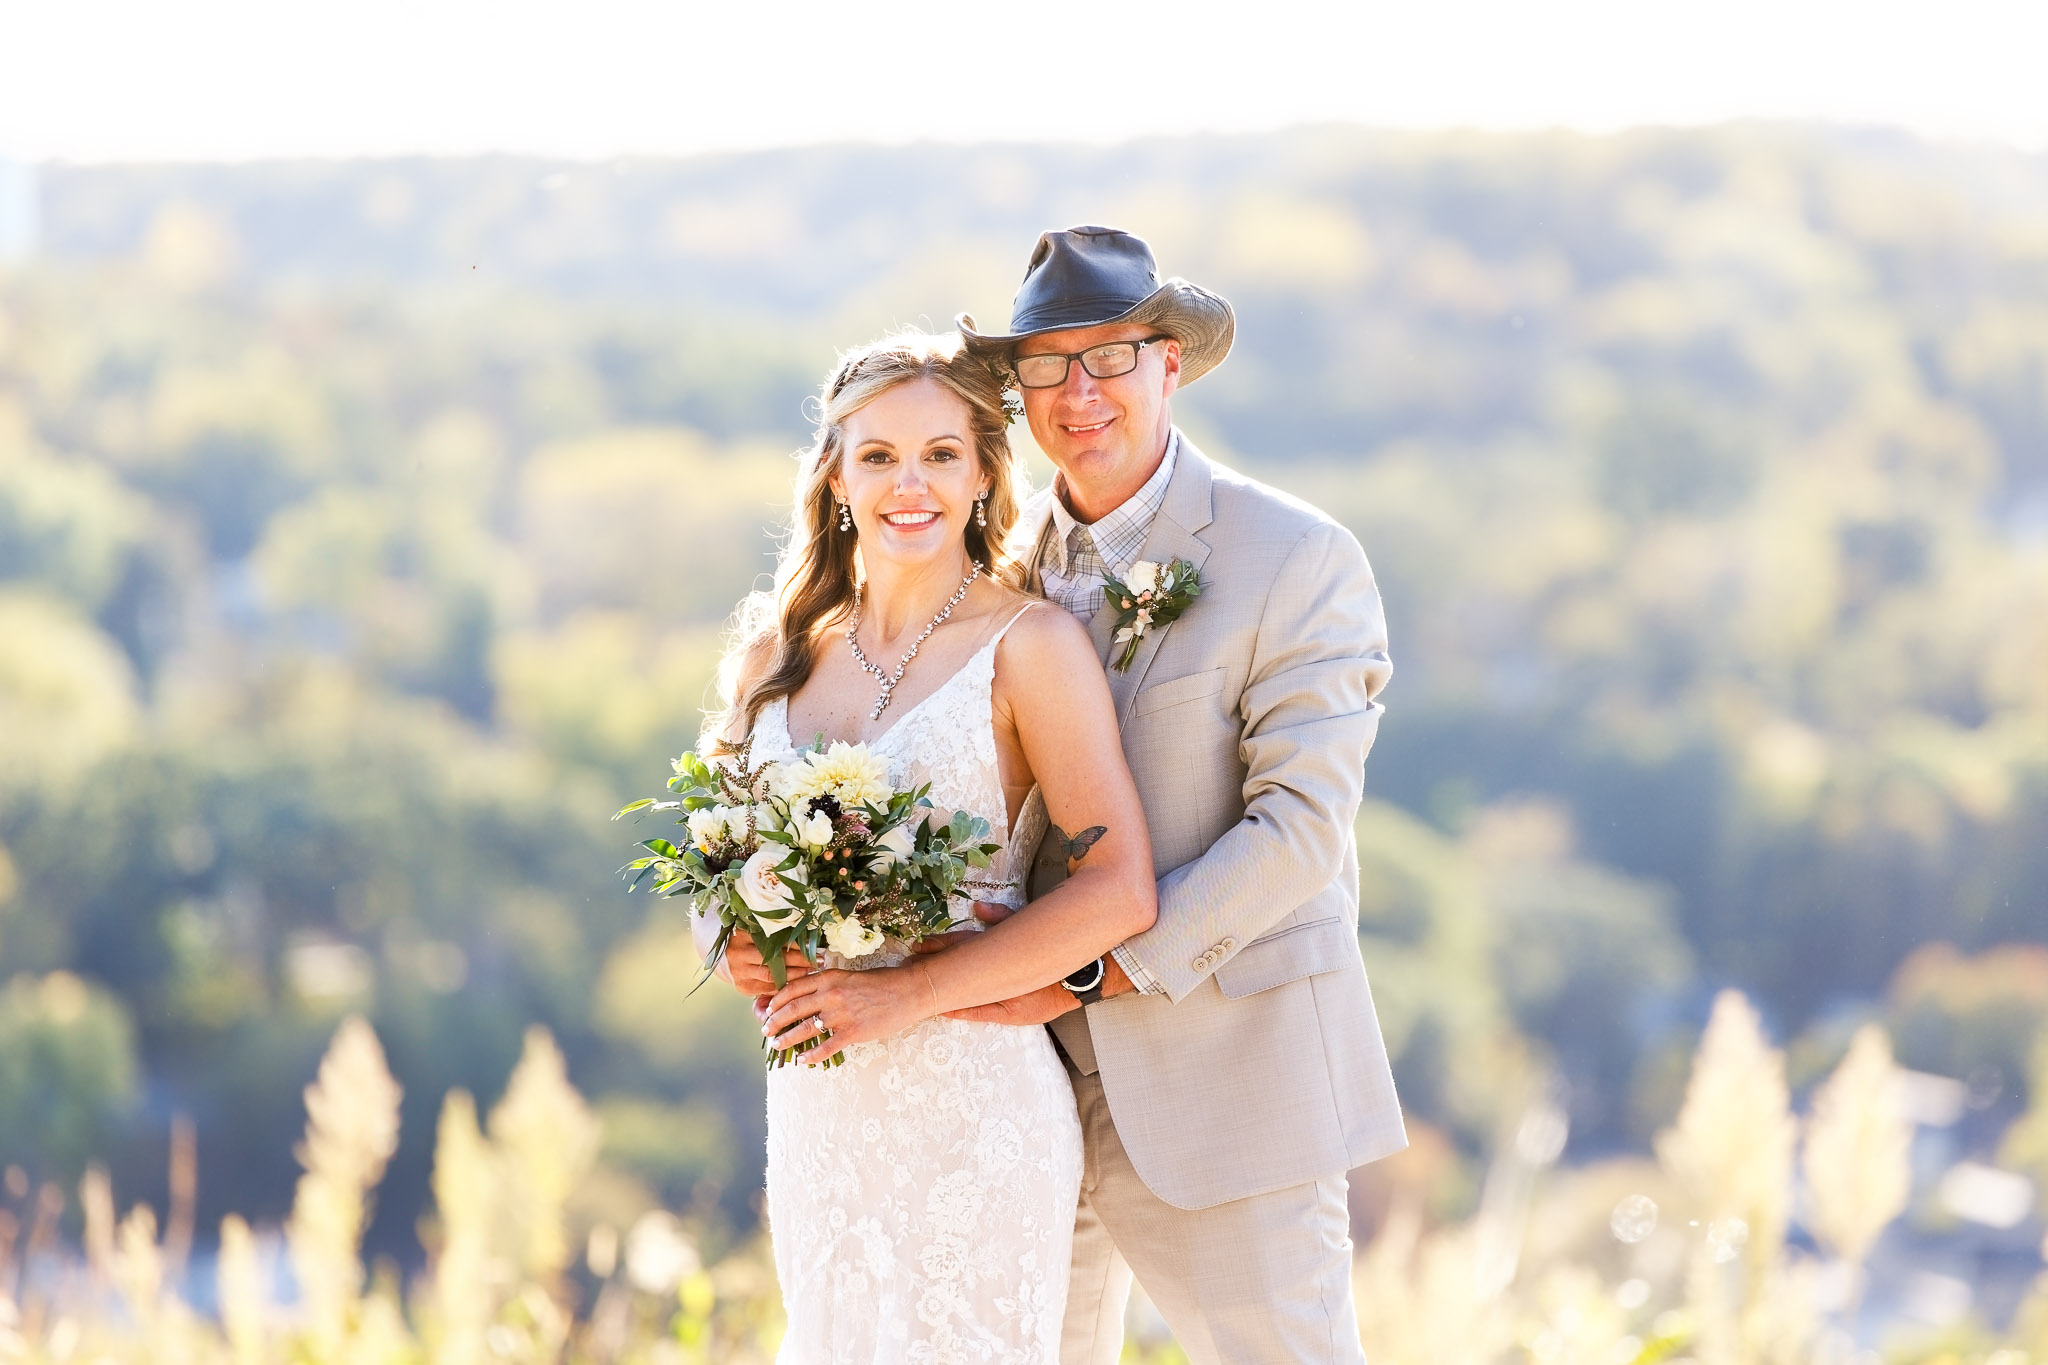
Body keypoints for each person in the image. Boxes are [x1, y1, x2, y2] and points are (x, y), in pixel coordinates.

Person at [948, 226, 1406, 1365]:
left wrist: (1089, 971)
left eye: (1107, 356)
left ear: (1169, 361)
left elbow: (1297, 834)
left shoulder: (1296, 557)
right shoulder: (990, 570)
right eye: (1045, 364)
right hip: (1016, 1095)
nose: (1076, 391)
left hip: (1229, 1084)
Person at [695, 329, 1159, 1363]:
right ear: (835, 475)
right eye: (879, 456)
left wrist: (906, 994)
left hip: (971, 1105)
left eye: (941, 455)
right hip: (819, 1100)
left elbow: (1120, 889)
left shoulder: (1029, 646)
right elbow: (717, 863)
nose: (910, 484)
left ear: (986, 473)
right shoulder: (772, 658)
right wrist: (738, 941)